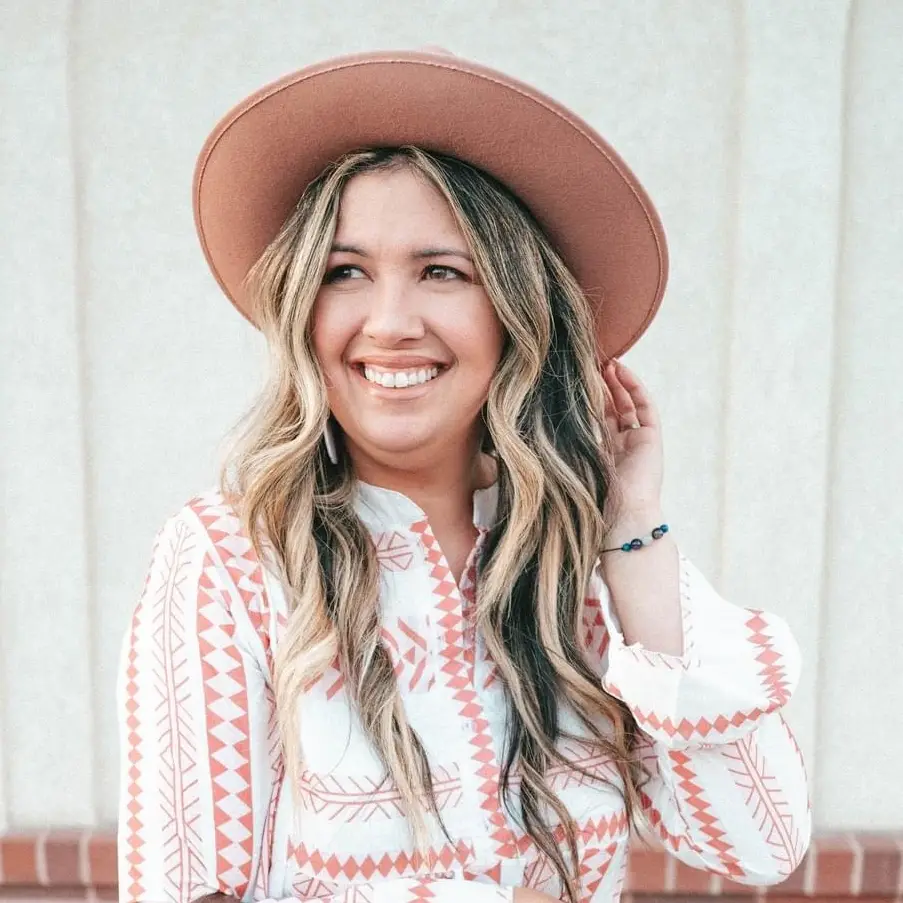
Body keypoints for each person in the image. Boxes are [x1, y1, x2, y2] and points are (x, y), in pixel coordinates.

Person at [117, 50, 810, 903]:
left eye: (442, 271)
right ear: (304, 309)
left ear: (515, 312)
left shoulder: (582, 565)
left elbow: (758, 839)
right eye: (345, 273)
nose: (390, 322)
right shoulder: (230, 559)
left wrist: (630, 532)